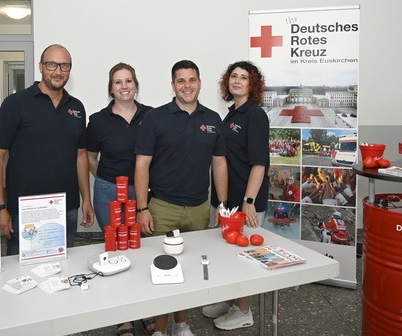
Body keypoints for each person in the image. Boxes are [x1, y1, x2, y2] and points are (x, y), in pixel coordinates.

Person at [134, 60, 228, 336]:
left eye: (192, 80)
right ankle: (160, 330)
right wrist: (142, 208)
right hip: (162, 208)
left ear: (200, 83)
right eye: (181, 81)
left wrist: (222, 206)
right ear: (173, 84)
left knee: (188, 271)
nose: (187, 86)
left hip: (199, 208)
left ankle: (181, 325)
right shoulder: (155, 118)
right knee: (162, 272)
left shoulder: (212, 119)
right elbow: (142, 165)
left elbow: (220, 163)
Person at [0, 44, 94, 256]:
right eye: (52, 64)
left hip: (66, 207)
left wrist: (86, 200)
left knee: (63, 268)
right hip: (24, 210)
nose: (58, 71)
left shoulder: (77, 107)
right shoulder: (15, 104)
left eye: (64, 66)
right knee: (21, 275)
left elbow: (80, 155)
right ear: (41, 67)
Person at [86, 63, 155, 335]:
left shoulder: (151, 116)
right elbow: (91, 158)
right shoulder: (98, 120)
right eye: (118, 82)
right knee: (114, 252)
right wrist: (107, 179)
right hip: (109, 192)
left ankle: (145, 308)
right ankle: (123, 316)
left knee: (143, 249)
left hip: (141, 194)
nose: (124, 86)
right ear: (111, 88)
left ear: (136, 84)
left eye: (128, 81)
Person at [203, 61, 269, 331]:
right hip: (228, 200)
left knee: (245, 254)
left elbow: (259, 163)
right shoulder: (231, 115)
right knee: (226, 253)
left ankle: (243, 310)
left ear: (252, 85)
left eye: (244, 77)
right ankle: (230, 299)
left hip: (246, 200)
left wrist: (248, 201)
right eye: (234, 76)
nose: (238, 81)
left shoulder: (254, 115)